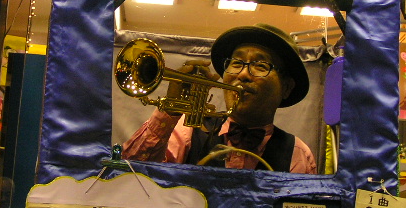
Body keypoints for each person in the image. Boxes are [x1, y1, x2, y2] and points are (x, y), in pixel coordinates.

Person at [123, 23, 317, 174]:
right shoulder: (186, 130)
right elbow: (130, 176)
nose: (243, 74)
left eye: (261, 65)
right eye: (236, 63)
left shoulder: (298, 154)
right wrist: (169, 111)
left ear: (286, 87)